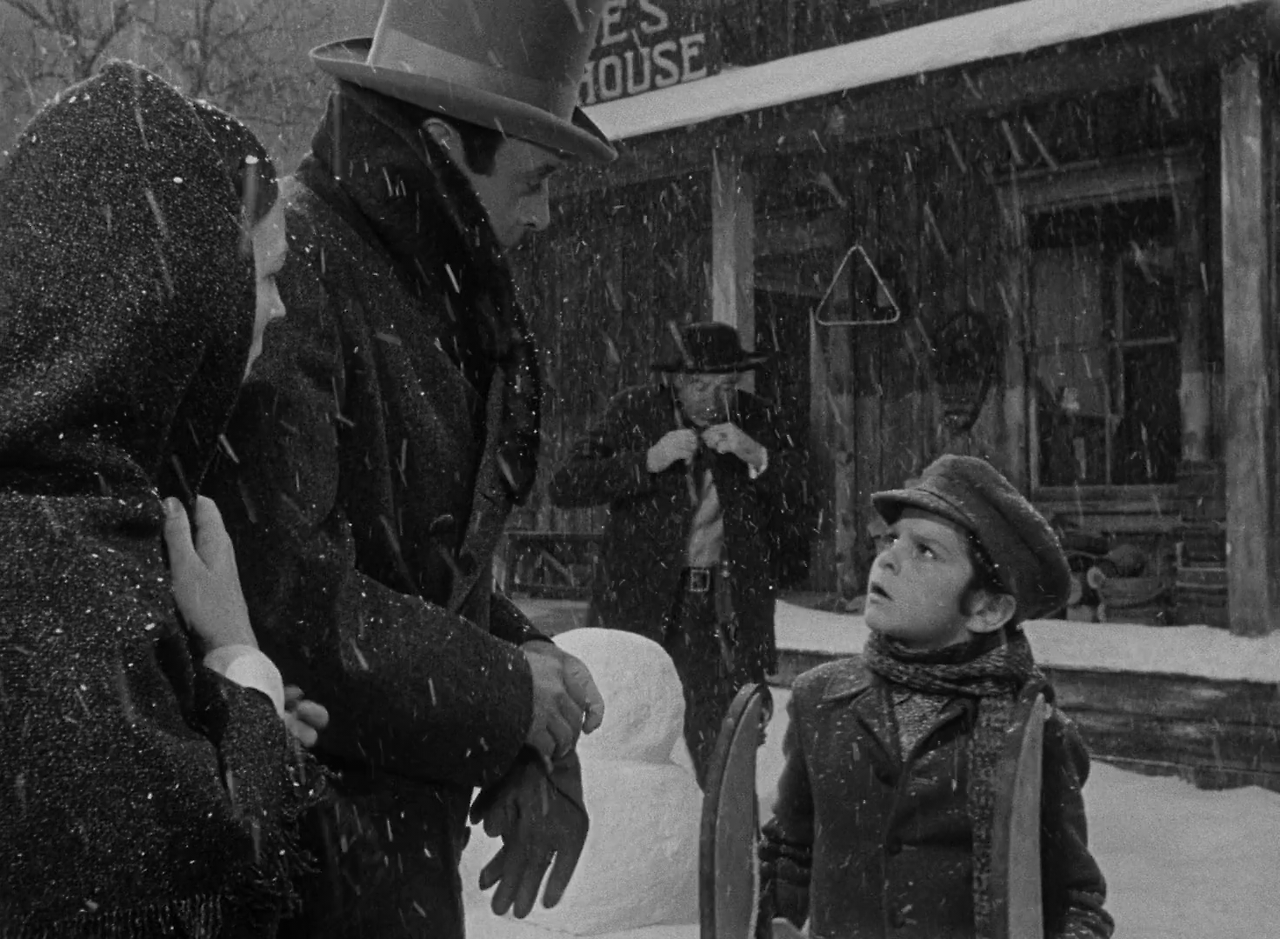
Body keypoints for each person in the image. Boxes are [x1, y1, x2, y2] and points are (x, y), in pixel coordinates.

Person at [201, 2, 615, 936]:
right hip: (302, 872)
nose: (545, 214)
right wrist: (507, 694)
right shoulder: (295, 272)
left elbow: (413, 566)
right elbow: (281, 595)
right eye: (535, 179)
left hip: (384, 859)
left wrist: (530, 705)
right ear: (440, 146)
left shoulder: (425, 281)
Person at [0, 61, 327, 936]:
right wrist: (243, 670)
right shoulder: (63, 573)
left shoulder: (52, 506)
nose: (277, 310)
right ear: (181, 302)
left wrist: (218, 716)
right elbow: (190, 895)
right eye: (262, 277)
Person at [758, 455, 1114, 939]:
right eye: (892, 540)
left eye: (925, 551)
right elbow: (789, 858)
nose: (888, 559)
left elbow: (1073, 901)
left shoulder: (1029, 730)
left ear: (988, 609)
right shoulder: (821, 701)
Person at [549, 321, 806, 787]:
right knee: (619, 743)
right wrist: (646, 461)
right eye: (701, 386)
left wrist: (757, 455)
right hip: (636, 607)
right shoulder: (635, 411)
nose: (714, 399)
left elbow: (803, 499)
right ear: (676, 381)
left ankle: (727, 835)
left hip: (717, 616)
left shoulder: (755, 419)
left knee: (726, 752)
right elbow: (565, 484)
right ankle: (630, 832)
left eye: (725, 386)